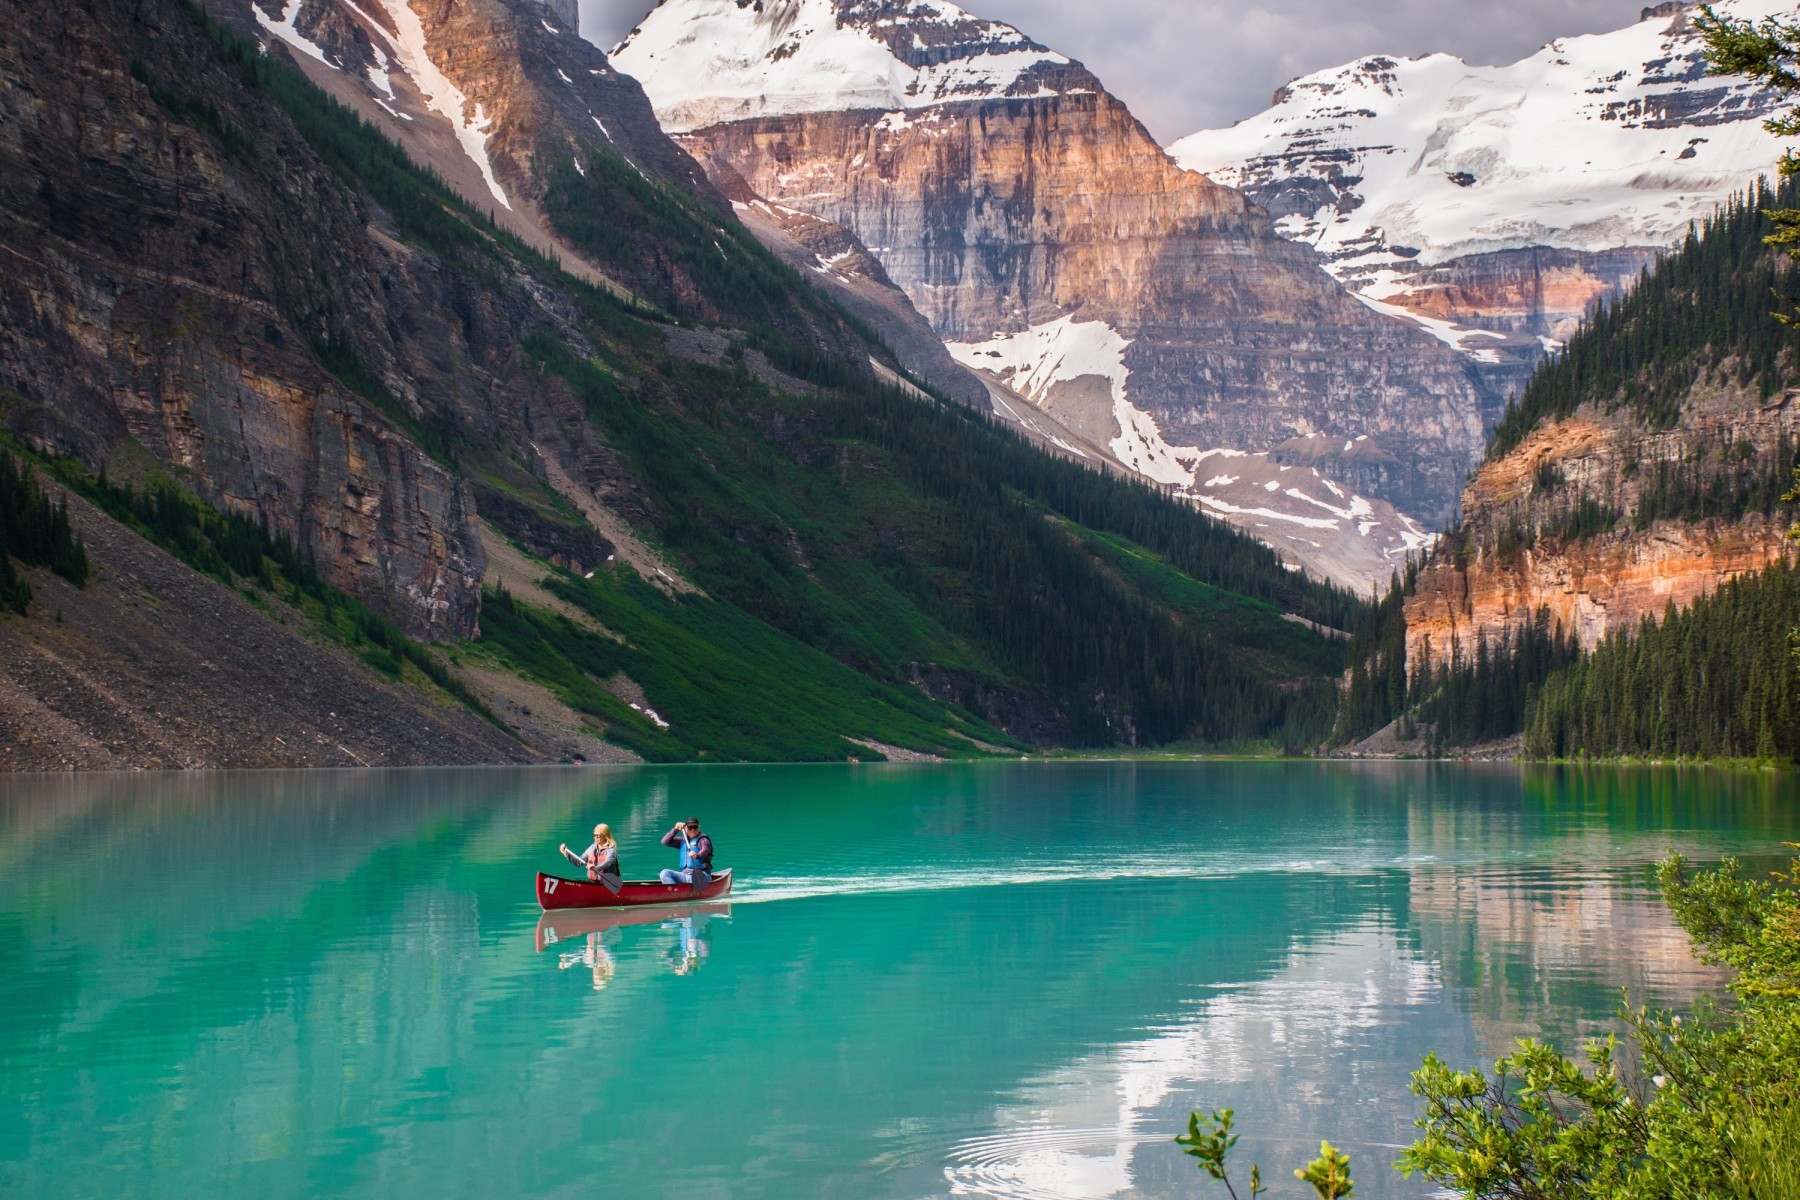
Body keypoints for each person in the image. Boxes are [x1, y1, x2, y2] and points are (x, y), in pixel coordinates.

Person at [560, 823, 623, 894]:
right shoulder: (592, 848)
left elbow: (607, 863)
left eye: (598, 836)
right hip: (593, 883)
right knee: (577, 882)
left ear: (605, 836)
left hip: (609, 884)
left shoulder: (611, 850)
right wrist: (566, 854)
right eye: (594, 835)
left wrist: (596, 867)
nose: (595, 837)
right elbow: (578, 862)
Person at [659, 817, 714, 887]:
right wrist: (675, 829)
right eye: (690, 827)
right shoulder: (682, 841)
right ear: (685, 828)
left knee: (694, 878)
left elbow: (705, 850)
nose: (693, 829)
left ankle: (681, 892)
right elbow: (664, 842)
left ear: (699, 827)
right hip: (685, 875)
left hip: (701, 875)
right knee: (664, 873)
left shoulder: (703, 839)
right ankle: (675, 892)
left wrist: (697, 855)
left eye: (695, 827)